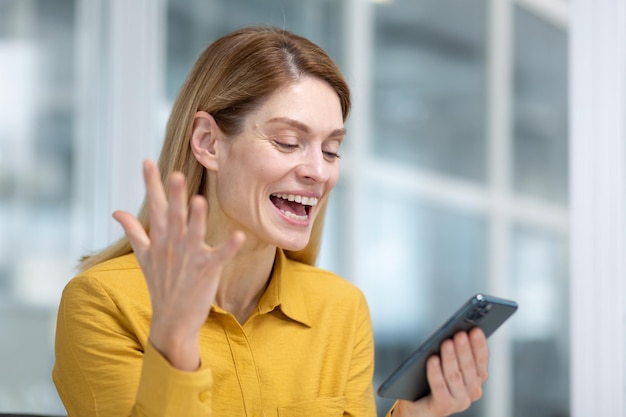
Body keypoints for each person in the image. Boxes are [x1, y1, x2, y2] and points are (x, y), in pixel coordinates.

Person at [52, 26, 489, 417]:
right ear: (208, 143)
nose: (318, 171)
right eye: (288, 141)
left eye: (332, 149)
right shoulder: (102, 302)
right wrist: (176, 341)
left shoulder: (341, 309)